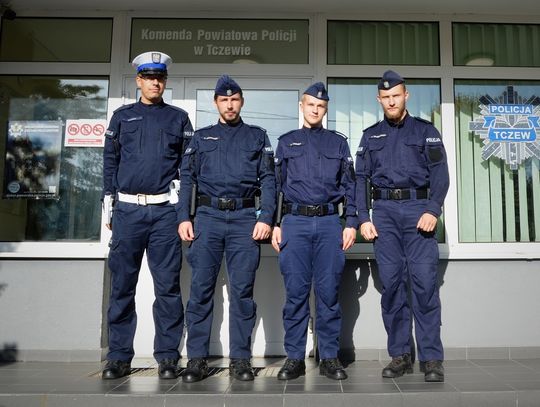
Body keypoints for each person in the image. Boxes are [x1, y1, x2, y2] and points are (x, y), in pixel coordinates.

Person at [177, 75, 276, 383]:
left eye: (234, 100)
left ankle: (241, 360)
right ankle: (196, 359)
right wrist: (184, 216)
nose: (230, 104)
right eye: (224, 100)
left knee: (242, 293)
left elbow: (270, 180)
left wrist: (267, 217)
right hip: (207, 218)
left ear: (241, 102)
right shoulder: (201, 137)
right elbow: (187, 179)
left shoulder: (257, 136)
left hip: (245, 219)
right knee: (201, 291)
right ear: (216, 103)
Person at [101, 51, 193, 380]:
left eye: (161, 77)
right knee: (122, 286)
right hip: (127, 212)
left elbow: (187, 169)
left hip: (164, 213)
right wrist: (108, 204)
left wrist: (184, 211)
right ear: (138, 80)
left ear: (165, 81)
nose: (155, 82)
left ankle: (168, 356)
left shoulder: (178, 119)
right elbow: (109, 162)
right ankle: (118, 356)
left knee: (167, 288)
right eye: (149, 77)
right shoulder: (122, 117)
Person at [355, 70, 449, 382]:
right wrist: (363, 218)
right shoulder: (370, 136)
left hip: (417, 211)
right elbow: (360, 180)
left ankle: (432, 358)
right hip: (384, 215)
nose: (391, 100)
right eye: (386, 97)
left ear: (405, 96)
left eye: (396, 95)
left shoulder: (426, 131)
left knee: (423, 286)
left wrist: (432, 209)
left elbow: (440, 174)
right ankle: (400, 355)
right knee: (392, 286)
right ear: (379, 100)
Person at [271, 82, 358, 381]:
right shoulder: (286, 142)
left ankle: (330, 357)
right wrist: (273, 224)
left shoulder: (338, 144)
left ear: (326, 109)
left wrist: (351, 223)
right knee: (295, 294)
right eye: (310, 104)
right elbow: (275, 187)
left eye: (320, 106)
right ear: (302, 105)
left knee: (328, 294)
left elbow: (351, 187)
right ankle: (294, 357)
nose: (315, 109)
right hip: (294, 223)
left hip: (329, 224)